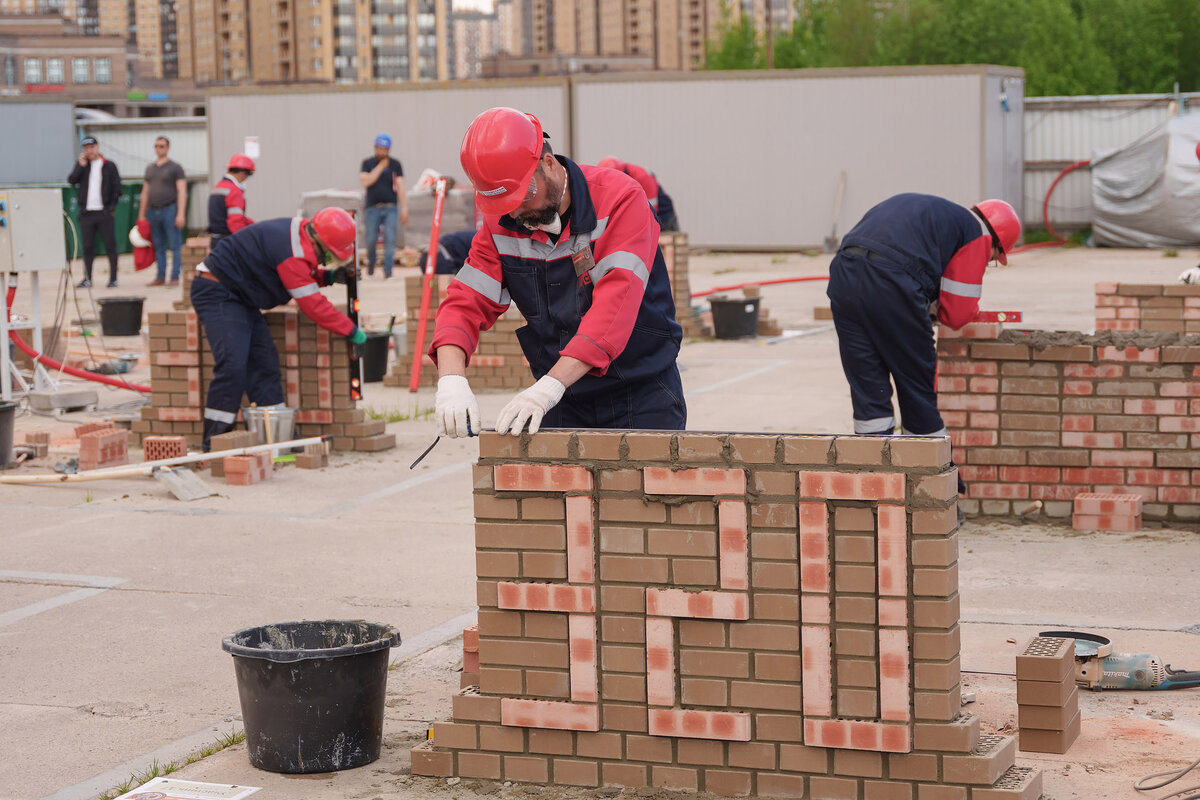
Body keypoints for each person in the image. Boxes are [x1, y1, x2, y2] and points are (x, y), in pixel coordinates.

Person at [431, 107, 685, 438]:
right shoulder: (503, 223)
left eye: (522, 196)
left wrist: (547, 388)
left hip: (639, 391)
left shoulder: (620, 200)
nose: (515, 212)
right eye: (504, 204)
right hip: (563, 397)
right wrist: (451, 379)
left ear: (549, 165)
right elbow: (465, 301)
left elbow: (614, 307)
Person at [825, 192, 1020, 501]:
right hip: (892, 285)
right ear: (997, 242)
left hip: (844, 275)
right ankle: (932, 498)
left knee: (869, 390)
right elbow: (956, 313)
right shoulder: (976, 234)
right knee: (918, 390)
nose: (990, 261)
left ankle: (873, 493)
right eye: (995, 258)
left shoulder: (938, 216)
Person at [190, 208, 369, 451]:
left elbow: (292, 272)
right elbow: (313, 305)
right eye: (326, 255)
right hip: (217, 291)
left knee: (265, 363)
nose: (324, 260)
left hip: (241, 297)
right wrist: (351, 330)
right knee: (233, 364)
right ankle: (215, 443)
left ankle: (279, 438)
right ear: (318, 241)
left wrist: (326, 277)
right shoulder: (293, 254)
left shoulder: (300, 233)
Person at [67, 136, 121, 288]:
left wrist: (111, 207)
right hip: (87, 213)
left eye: (92, 147)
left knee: (110, 245)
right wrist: (80, 165)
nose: (89, 150)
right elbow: (71, 180)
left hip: (104, 213)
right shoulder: (84, 166)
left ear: (97, 147)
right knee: (88, 246)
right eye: (86, 148)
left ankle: (113, 278)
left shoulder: (109, 166)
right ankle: (88, 277)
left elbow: (117, 187)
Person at [138, 136, 187, 287]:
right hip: (153, 211)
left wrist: (180, 213)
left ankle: (174, 277)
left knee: (175, 245)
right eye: (156, 146)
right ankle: (160, 276)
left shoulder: (175, 167)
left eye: (162, 146)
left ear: (168, 148)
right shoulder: (150, 168)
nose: (159, 149)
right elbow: (145, 192)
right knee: (158, 245)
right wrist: (141, 214)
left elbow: (182, 191)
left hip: (170, 209)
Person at [359, 133, 409, 278]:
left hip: (390, 208)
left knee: (390, 239)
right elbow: (365, 181)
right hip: (372, 208)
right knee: (371, 239)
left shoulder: (395, 164)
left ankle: (388, 270)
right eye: (380, 149)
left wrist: (404, 207)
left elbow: (400, 185)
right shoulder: (367, 163)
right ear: (375, 148)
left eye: (385, 149)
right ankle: (371, 265)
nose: (383, 152)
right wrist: (380, 167)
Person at [596, 157, 679, 231]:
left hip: (661, 211)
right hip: (639, 208)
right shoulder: (611, 181)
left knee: (667, 242)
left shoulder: (642, 176)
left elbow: (652, 208)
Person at [207, 154, 255, 248]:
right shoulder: (234, 191)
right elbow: (235, 222)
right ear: (242, 173)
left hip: (216, 240)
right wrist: (247, 241)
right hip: (229, 241)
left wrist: (254, 225)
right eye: (248, 175)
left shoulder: (219, 186)